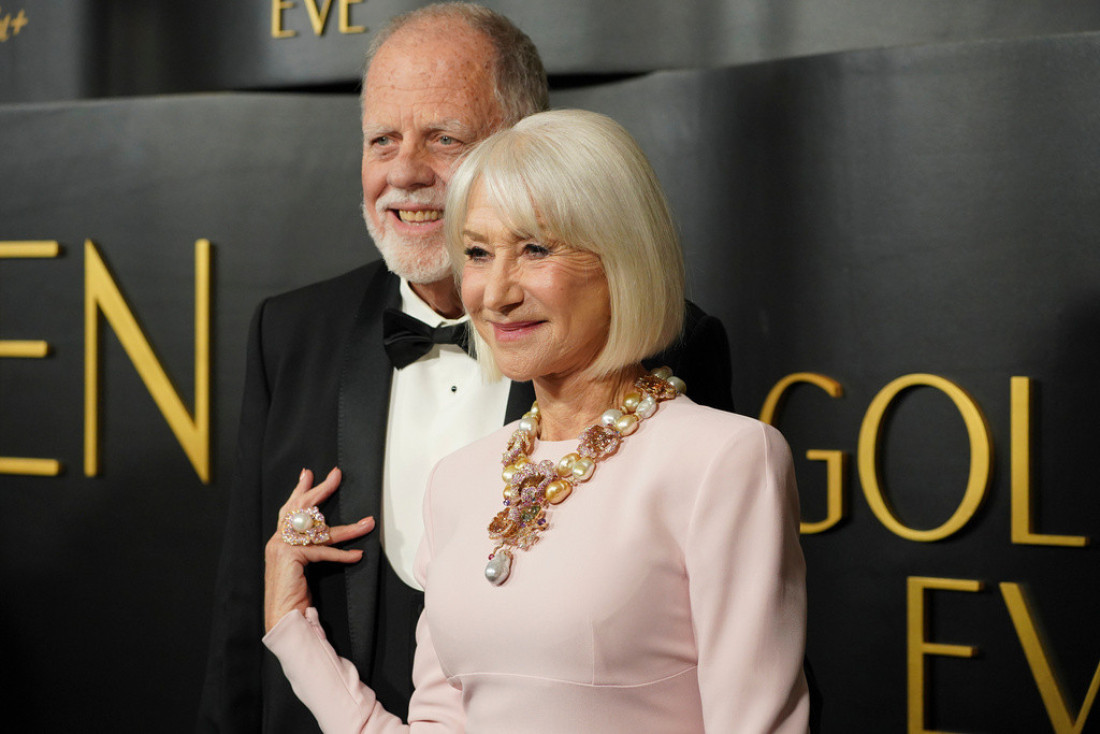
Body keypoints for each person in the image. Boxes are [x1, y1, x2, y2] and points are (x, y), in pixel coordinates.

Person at [198, 4, 734, 732]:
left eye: (443, 138)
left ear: (526, 144)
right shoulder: (290, 334)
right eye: (382, 140)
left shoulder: (663, 341)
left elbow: (736, 655)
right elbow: (244, 610)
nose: (404, 172)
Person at [263, 109, 808, 732]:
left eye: (535, 249)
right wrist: (292, 631)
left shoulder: (725, 460)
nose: (496, 294)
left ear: (623, 258)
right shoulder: (458, 480)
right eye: (477, 253)